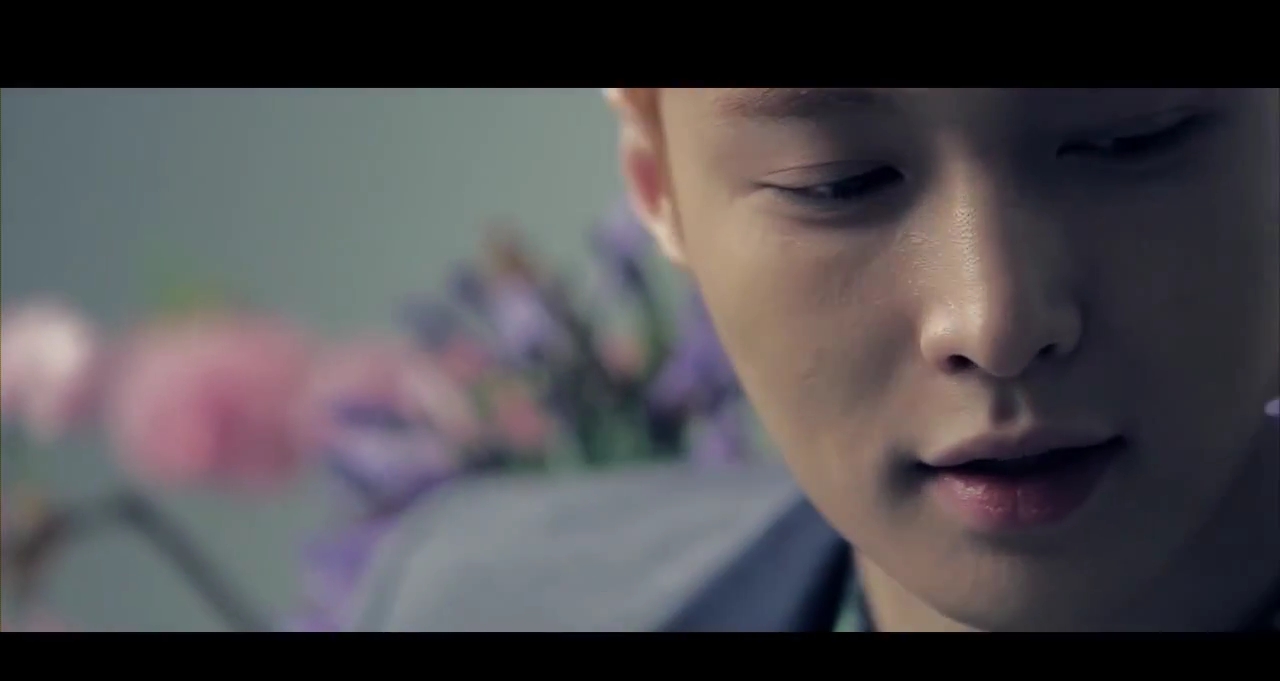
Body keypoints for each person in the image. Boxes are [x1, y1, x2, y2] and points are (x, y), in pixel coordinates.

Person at [351, 88, 1279, 632]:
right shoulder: (463, 600)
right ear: (657, 181)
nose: (994, 323)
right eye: (836, 183)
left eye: (1129, 140)